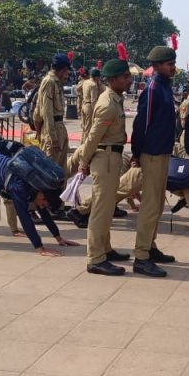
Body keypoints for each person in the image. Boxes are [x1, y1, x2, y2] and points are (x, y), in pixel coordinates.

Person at [128, 45, 180, 278]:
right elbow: (142, 124)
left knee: (157, 204)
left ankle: (150, 245)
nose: (173, 68)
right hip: (151, 153)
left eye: (173, 63)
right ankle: (141, 256)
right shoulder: (152, 89)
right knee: (150, 206)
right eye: (169, 64)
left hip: (163, 152)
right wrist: (137, 153)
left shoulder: (165, 87)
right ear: (157, 66)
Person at [83, 58, 135, 276]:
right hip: (104, 158)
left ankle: (105, 248)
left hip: (112, 157)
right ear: (113, 80)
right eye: (125, 77)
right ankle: (95, 258)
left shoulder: (115, 99)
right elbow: (93, 137)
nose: (129, 80)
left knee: (106, 209)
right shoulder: (107, 104)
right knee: (101, 211)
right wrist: (83, 162)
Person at [34, 54, 72, 168]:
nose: (67, 73)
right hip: (52, 130)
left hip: (59, 127)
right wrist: (53, 138)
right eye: (66, 70)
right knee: (50, 170)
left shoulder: (57, 82)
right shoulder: (49, 82)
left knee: (61, 169)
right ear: (63, 69)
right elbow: (47, 112)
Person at [79, 69, 103, 138]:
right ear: (96, 77)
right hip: (89, 107)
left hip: (84, 105)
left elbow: (79, 91)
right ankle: (86, 144)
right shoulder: (93, 85)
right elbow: (93, 100)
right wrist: (96, 112)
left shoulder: (85, 82)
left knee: (84, 128)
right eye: (99, 77)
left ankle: (82, 143)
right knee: (88, 129)